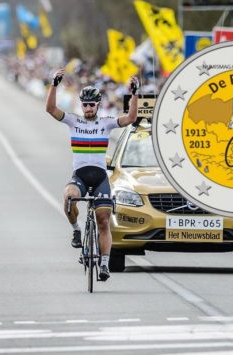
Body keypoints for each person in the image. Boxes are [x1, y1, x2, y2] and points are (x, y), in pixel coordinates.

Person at [45, 68, 139, 281]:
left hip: (99, 178)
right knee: (69, 198)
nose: (88, 108)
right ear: (82, 105)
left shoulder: (106, 123)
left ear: (97, 105)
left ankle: (104, 265)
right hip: (80, 175)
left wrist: (134, 95)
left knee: (103, 220)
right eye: (85, 104)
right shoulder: (73, 121)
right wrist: (54, 84)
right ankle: (77, 230)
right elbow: (50, 108)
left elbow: (132, 117)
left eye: (92, 105)